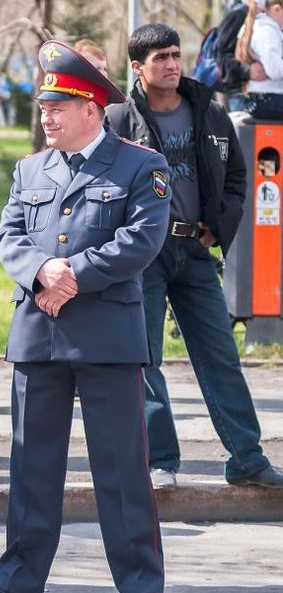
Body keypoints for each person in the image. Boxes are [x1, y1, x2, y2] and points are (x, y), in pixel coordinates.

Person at [0, 40, 170, 593]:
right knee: (32, 472)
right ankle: (18, 579)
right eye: (42, 108)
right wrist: (43, 269)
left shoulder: (142, 164)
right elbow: (8, 235)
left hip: (106, 337)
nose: (44, 117)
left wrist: (74, 275)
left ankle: (139, 581)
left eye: (56, 108)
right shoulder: (29, 168)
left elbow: (142, 239)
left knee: (122, 476)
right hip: (38, 336)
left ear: (91, 108)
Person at [106, 23, 283, 490]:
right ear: (137, 66)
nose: (170, 64)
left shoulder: (208, 111)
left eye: (175, 55)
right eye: (160, 57)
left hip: (196, 251)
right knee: (145, 361)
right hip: (144, 255)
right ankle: (160, 462)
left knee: (221, 356)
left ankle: (246, 459)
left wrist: (219, 225)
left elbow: (236, 179)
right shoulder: (119, 121)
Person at [236, 0, 283, 119]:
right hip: (267, 99)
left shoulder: (261, 27)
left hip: (263, 98)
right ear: (277, 9)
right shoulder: (267, 31)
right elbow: (274, 70)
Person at [219, 0, 268, 112]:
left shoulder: (272, 18)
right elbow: (222, 57)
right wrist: (247, 70)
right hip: (240, 95)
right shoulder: (237, 15)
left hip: (266, 94)